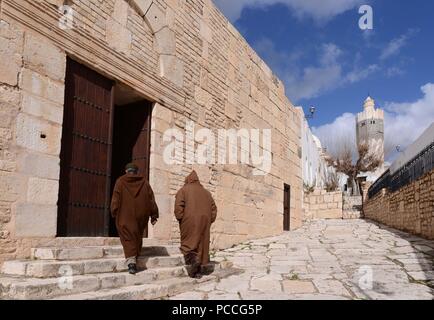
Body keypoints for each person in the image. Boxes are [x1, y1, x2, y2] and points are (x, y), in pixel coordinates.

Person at [111, 163, 159, 274]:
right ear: (136, 172)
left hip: (125, 215)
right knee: (137, 235)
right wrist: (154, 215)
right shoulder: (145, 183)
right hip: (141, 215)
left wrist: (114, 210)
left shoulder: (120, 181)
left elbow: (115, 198)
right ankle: (135, 256)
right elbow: (151, 199)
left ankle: (131, 263)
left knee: (128, 237)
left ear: (126, 171)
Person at [174, 170, 217, 278]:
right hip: (204, 222)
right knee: (201, 245)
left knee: (189, 244)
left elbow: (179, 207)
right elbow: (214, 209)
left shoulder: (183, 190)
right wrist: (209, 220)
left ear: (188, 180)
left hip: (189, 221)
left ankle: (194, 263)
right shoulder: (207, 193)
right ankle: (197, 271)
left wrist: (181, 218)